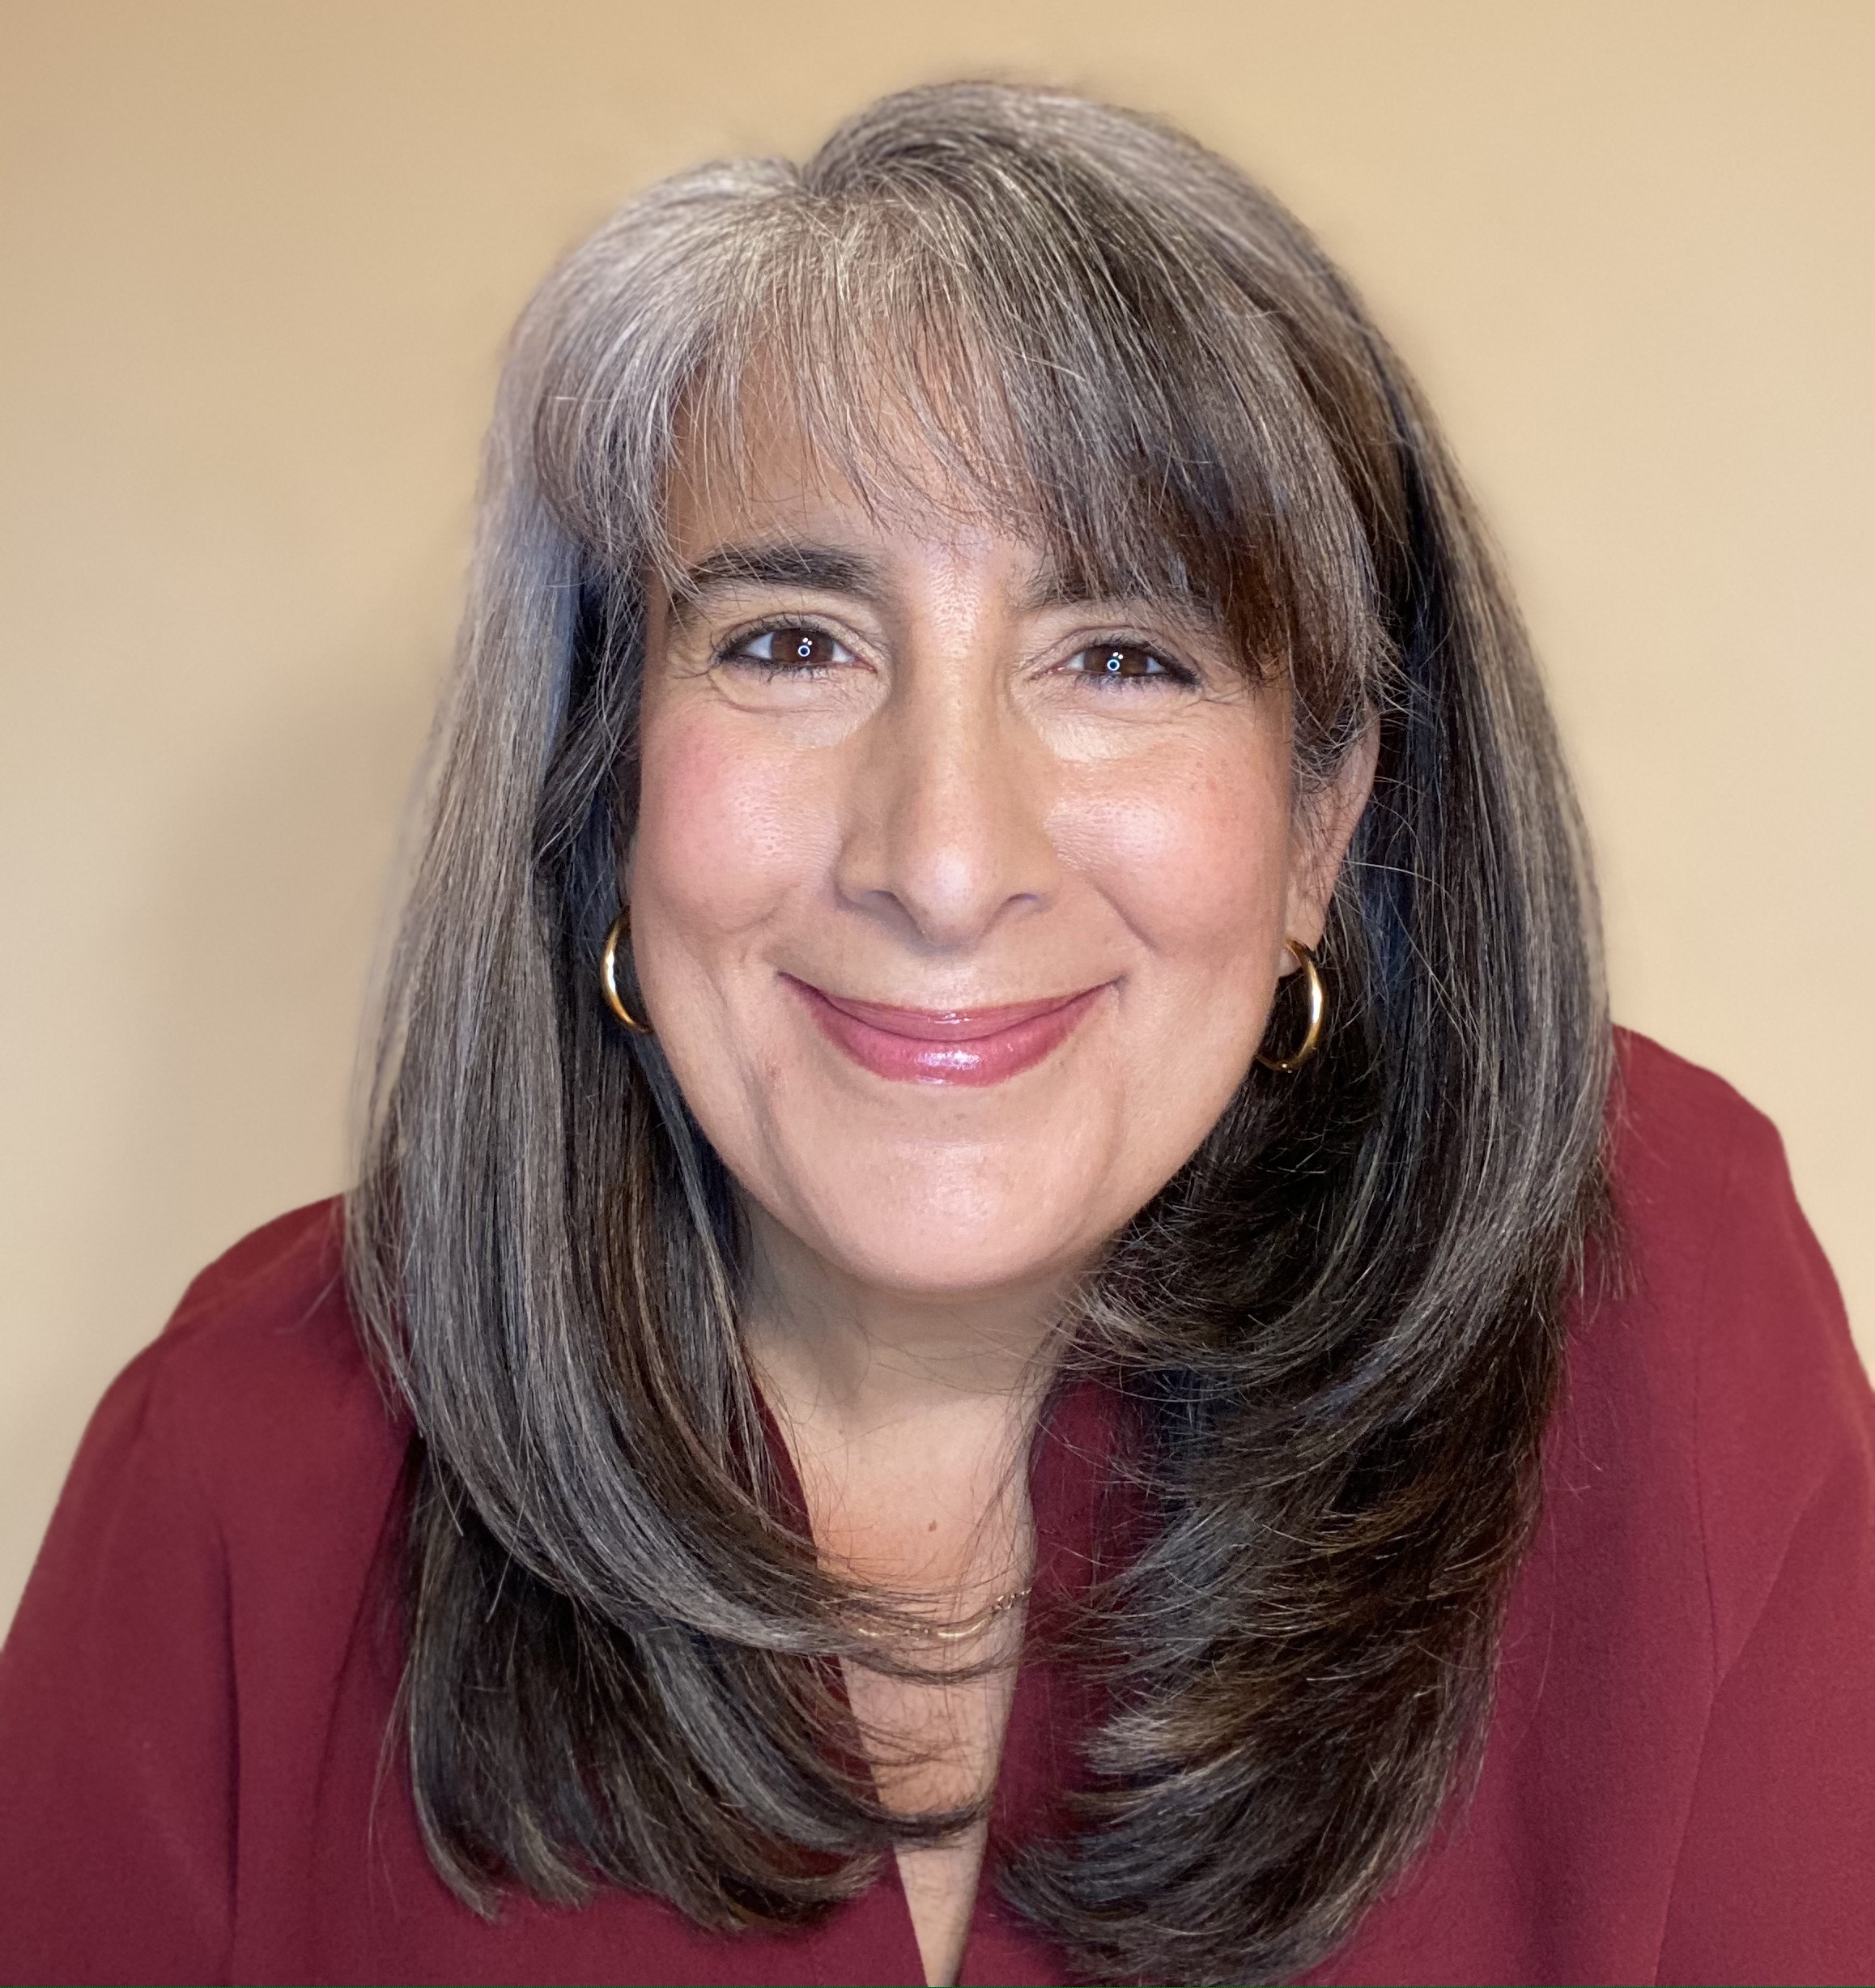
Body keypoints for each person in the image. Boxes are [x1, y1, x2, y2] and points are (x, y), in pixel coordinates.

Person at [1, 81, 1869, 1988]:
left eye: (1121, 657)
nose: (947, 862)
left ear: (1322, 823)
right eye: (792, 642)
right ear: (604, 779)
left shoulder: (1661, 1306)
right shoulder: (245, 1467)